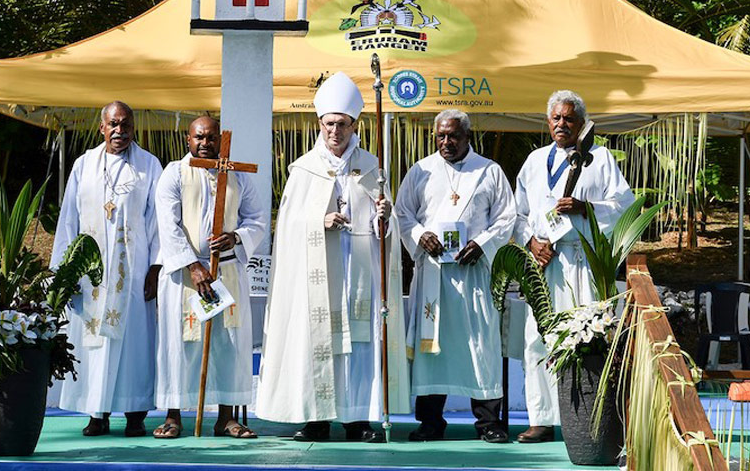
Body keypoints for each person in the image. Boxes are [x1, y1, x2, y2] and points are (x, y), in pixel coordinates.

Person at [257, 72, 410, 442]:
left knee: (358, 344)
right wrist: (318, 219)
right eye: (329, 124)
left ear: (354, 124)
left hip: (357, 272)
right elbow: (289, 228)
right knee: (316, 340)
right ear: (319, 124)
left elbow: (387, 234)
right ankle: (315, 418)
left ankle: (357, 419)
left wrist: (384, 219)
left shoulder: (372, 167)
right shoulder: (303, 169)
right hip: (318, 273)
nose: (335, 131)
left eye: (342, 124)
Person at [513, 90, 634, 443]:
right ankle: (541, 417)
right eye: (556, 118)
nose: (561, 124)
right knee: (538, 339)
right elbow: (517, 214)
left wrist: (587, 208)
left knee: (586, 337)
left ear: (581, 124)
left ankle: (585, 417)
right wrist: (531, 243)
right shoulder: (535, 161)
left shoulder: (600, 158)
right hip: (543, 261)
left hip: (581, 259)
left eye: (569, 118)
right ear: (547, 122)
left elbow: (623, 205)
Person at [396, 109, 516, 444]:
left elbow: (507, 217)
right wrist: (420, 235)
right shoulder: (421, 170)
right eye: (441, 136)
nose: (446, 143)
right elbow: (402, 212)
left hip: (474, 274)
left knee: (480, 345)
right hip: (434, 274)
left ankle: (488, 422)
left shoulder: (489, 171)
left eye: (453, 136)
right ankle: (431, 421)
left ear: (467, 137)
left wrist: (482, 243)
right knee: (433, 348)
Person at [153, 116, 268, 439]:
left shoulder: (236, 175)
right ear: (188, 140)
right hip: (185, 275)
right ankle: (174, 415)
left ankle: (226, 417)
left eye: (211, 137)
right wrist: (193, 265)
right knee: (181, 344)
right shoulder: (173, 173)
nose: (205, 143)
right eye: (199, 137)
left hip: (227, 269)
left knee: (228, 344)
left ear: (221, 139)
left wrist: (237, 237)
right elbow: (168, 224)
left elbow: (257, 218)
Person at [51, 101, 162, 437]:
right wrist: (65, 273)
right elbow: (69, 219)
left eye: (125, 125)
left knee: (133, 343)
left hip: (133, 271)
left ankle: (135, 413)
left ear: (133, 128)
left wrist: (156, 268)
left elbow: (158, 222)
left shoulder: (149, 165)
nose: (119, 131)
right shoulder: (84, 165)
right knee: (95, 341)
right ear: (102, 127)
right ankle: (97, 413)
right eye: (113, 124)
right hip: (91, 275)